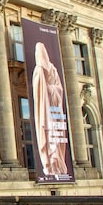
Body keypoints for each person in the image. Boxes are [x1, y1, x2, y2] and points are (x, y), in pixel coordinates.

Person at [32, 42, 69, 178]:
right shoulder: (38, 70)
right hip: (44, 110)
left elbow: (59, 88)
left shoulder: (53, 69)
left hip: (54, 110)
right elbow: (39, 92)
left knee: (56, 138)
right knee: (48, 137)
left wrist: (50, 89)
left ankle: (57, 165)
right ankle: (51, 165)